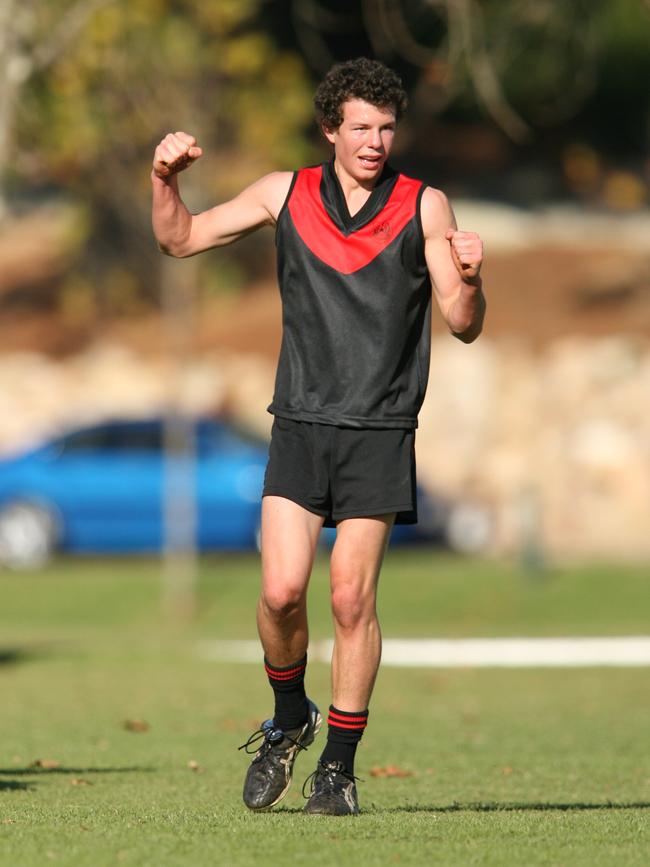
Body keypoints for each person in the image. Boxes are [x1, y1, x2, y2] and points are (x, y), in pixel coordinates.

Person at [151, 57, 485, 816]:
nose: (374, 141)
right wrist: (164, 183)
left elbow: (461, 323)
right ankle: (288, 715)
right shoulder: (286, 193)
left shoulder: (424, 205)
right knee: (277, 593)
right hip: (299, 422)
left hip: (379, 427)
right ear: (330, 129)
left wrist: (472, 276)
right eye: (360, 127)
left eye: (386, 127)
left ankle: (336, 767)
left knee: (348, 596)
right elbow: (181, 240)